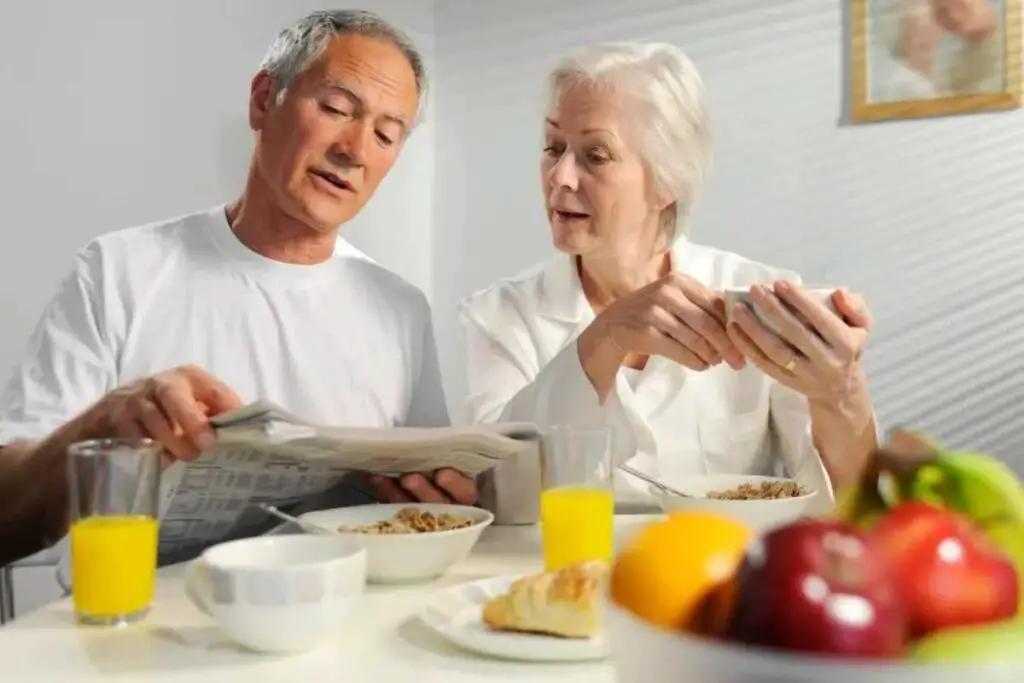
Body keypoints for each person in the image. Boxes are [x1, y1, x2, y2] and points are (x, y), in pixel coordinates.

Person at [0, 9, 476, 568]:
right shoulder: (118, 270)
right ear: (262, 100)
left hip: (339, 626)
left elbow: (424, 511)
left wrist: (444, 498)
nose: (356, 148)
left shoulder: (401, 309)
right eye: (336, 109)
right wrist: (104, 424)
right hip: (138, 631)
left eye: (386, 134)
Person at [458, 42, 879, 513]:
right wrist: (603, 339)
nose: (560, 176)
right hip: (568, 576)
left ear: (668, 182)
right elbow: (497, 493)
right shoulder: (499, 315)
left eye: (595, 155)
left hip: (718, 577)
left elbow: (850, 501)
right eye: (553, 148)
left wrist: (841, 394)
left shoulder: (758, 300)